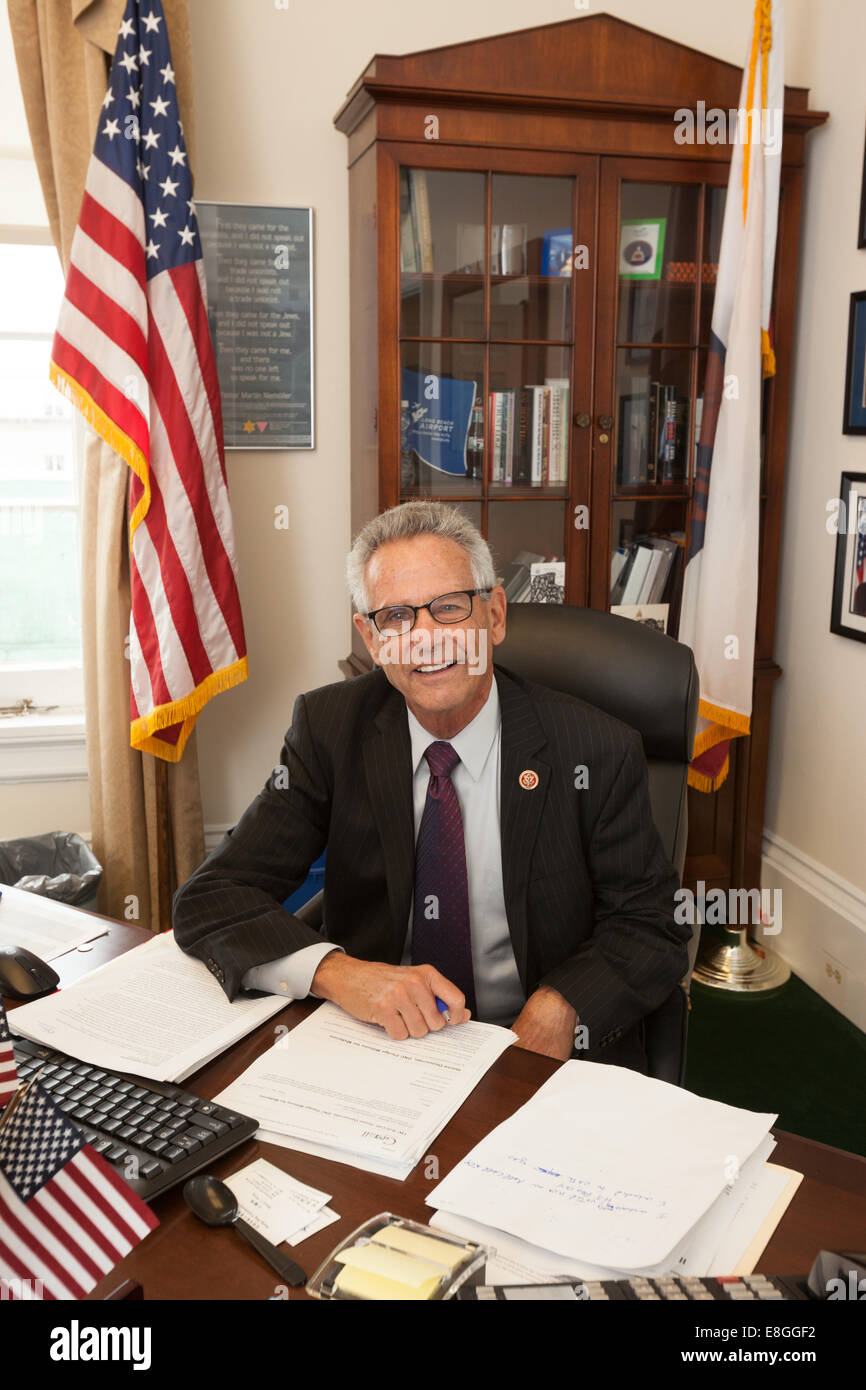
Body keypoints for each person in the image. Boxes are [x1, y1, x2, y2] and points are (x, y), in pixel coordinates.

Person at [173, 501, 689, 1070]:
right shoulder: (329, 730)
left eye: (447, 608)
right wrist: (340, 974)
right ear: (371, 639)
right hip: (385, 1046)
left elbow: (649, 924)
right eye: (395, 617)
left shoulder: (595, 748)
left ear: (494, 616)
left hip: (537, 1054)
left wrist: (560, 1006)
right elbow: (212, 896)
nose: (423, 638)